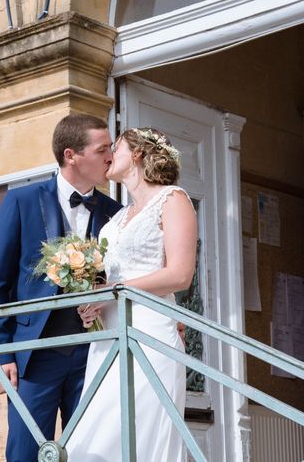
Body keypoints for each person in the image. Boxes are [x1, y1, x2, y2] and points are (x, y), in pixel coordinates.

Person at [0, 114, 123, 462]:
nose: (109, 157)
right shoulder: (21, 201)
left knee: (90, 450)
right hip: (35, 354)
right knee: (25, 451)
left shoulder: (116, 213)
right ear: (71, 154)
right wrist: (2, 353)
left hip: (93, 352)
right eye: (102, 149)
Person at [66, 127, 197, 461]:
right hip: (108, 337)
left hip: (150, 333)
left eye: (117, 148)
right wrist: (93, 302)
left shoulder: (173, 199)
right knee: (92, 441)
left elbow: (180, 274)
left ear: (137, 154)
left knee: (136, 437)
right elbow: (113, 280)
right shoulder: (118, 218)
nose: (109, 155)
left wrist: (113, 291)